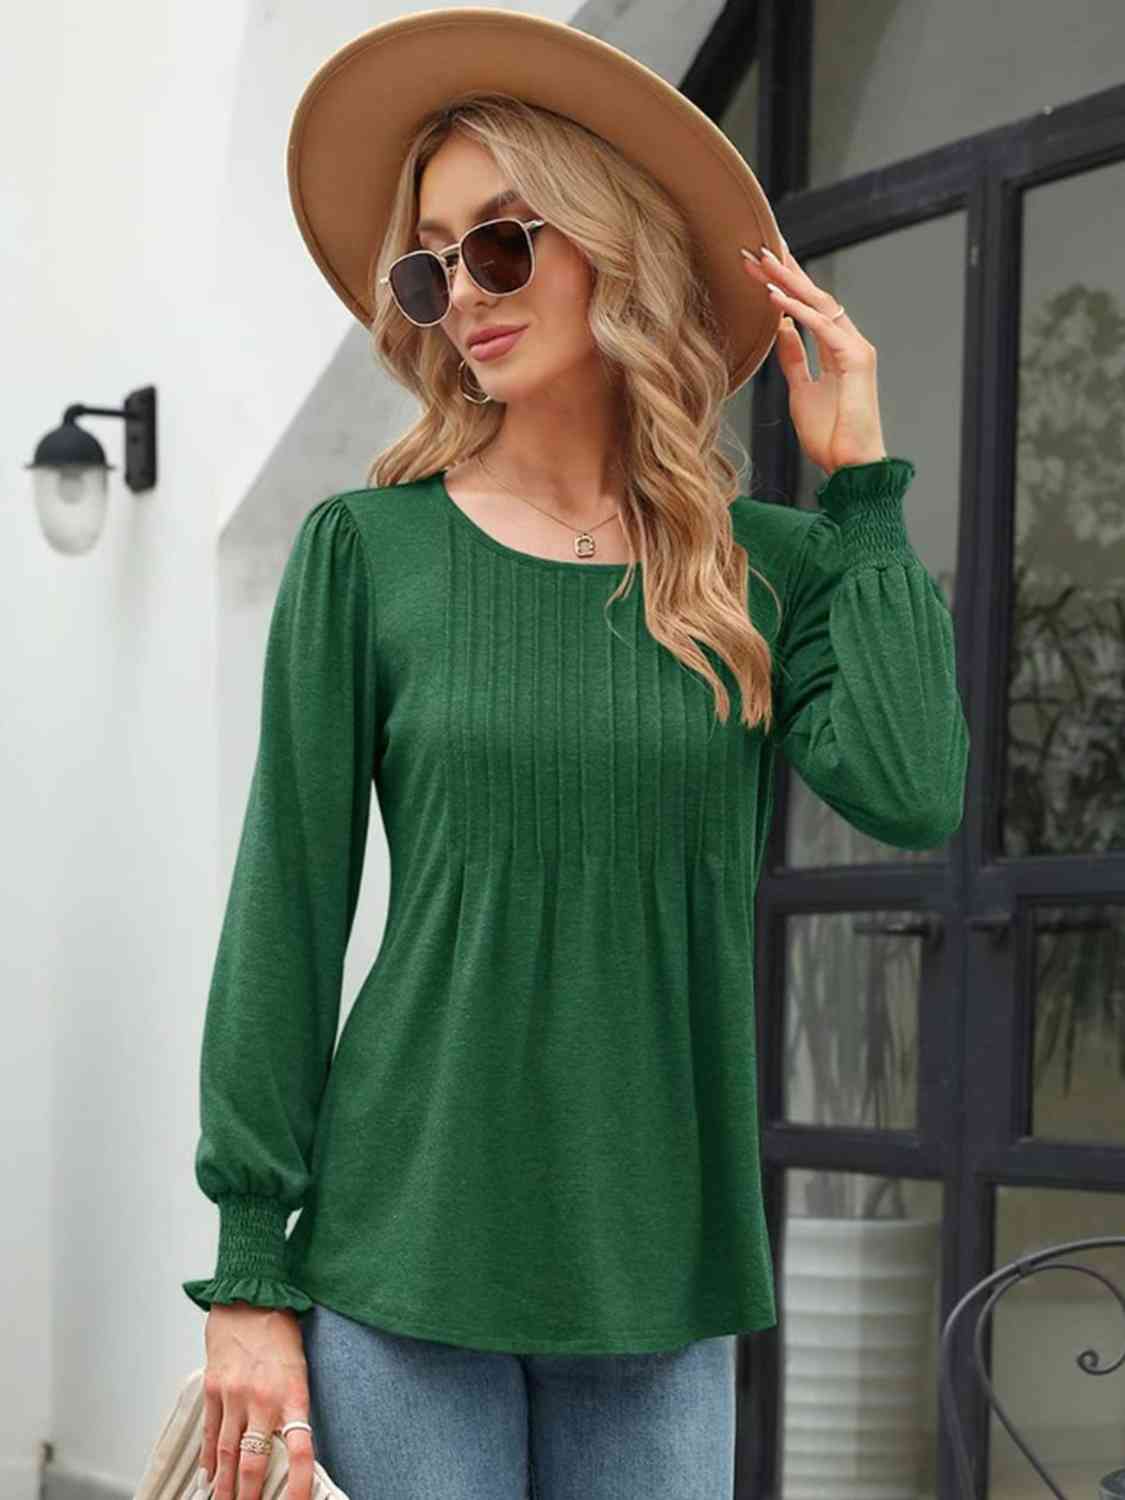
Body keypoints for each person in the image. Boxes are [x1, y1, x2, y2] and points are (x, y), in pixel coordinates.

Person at [181, 12, 971, 1500]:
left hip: (660, 1269)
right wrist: (247, 1271)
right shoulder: (368, 553)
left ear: (615, 246)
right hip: (403, 1255)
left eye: (501, 243)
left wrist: (862, 488)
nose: (464, 298)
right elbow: (286, 910)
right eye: (432, 267)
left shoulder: (769, 568)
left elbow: (913, 785)